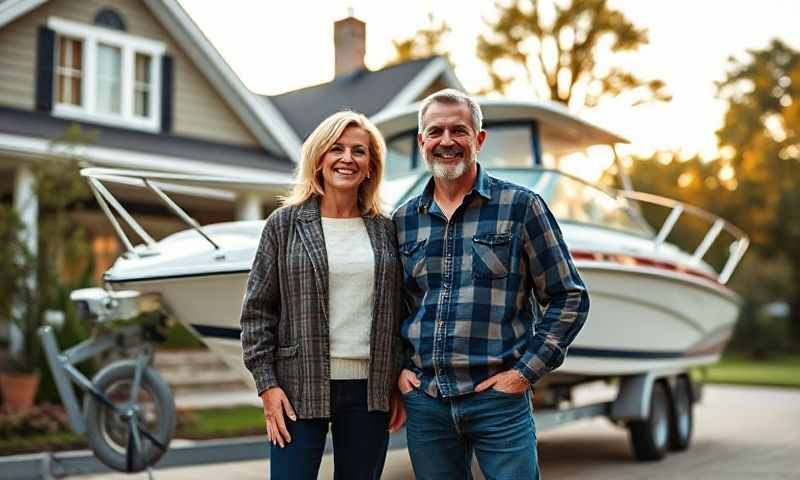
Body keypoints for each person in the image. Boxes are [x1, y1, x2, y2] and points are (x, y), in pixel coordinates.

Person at [393, 89, 590, 480]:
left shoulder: (521, 207)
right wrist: (399, 371)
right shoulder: (403, 220)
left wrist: (524, 373)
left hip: (499, 402)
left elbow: (568, 296)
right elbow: (393, 307)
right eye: (435, 132)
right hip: (427, 403)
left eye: (458, 130)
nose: (446, 141)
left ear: (478, 140)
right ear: (422, 143)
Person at [240, 111, 405, 480]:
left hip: (371, 390)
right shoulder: (283, 225)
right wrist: (267, 387)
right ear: (318, 158)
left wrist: (396, 378)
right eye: (336, 148)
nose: (347, 158)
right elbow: (257, 314)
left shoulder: (387, 230)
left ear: (371, 166)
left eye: (359, 151)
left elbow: (402, 311)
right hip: (297, 387)